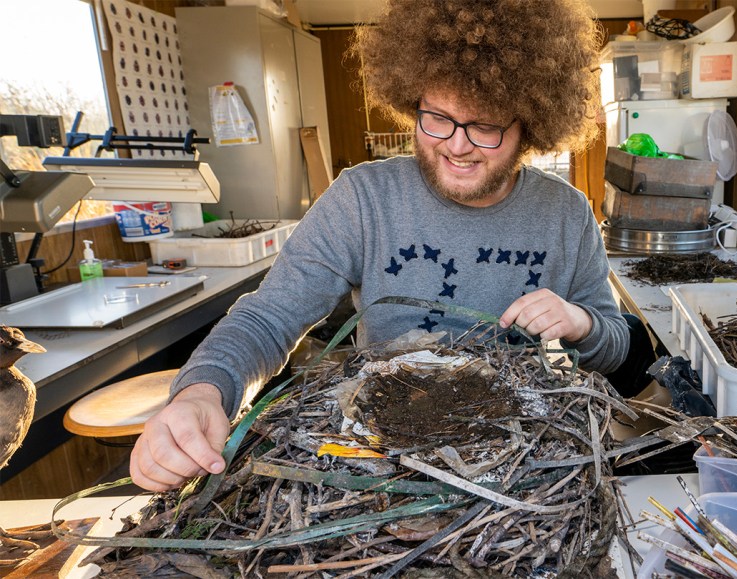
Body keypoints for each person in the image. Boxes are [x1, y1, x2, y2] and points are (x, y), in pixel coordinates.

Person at [130, 0, 635, 492]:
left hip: (517, 462)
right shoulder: (362, 198)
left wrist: (581, 322)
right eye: (436, 117)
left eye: (484, 125)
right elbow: (268, 317)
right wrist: (203, 392)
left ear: (530, 123)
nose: (456, 146)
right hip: (385, 455)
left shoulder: (566, 213)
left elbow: (614, 345)